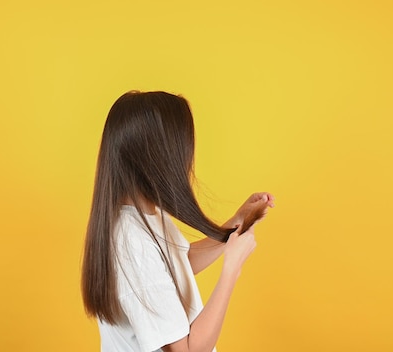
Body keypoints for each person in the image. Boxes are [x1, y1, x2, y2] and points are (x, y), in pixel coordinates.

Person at [81, 91, 274, 352]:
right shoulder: (132, 240)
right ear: (158, 157)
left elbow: (177, 265)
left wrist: (234, 224)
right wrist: (232, 268)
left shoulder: (145, 215)